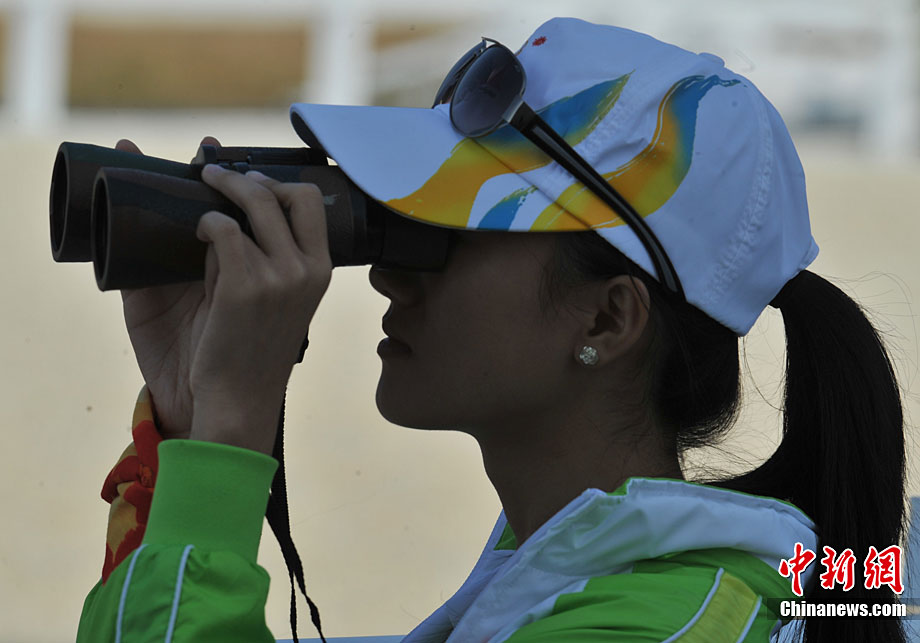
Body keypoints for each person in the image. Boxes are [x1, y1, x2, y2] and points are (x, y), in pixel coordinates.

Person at [74, 17, 906, 643]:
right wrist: (189, 424)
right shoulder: (567, 577)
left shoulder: (654, 626)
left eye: (447, 234)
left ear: (609, 317)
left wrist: (231, 433)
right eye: (397, 222)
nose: (390, 273)